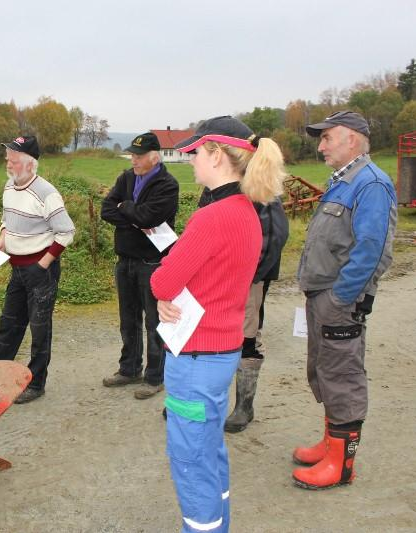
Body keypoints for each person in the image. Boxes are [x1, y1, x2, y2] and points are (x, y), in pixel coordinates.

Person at [150, 116, 285, 532]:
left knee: (191, 459)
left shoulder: (213, 216)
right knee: (209, 449)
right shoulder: (246, 209)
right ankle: (219, 521)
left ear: (217, 154)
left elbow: (164, 280)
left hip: (195, 356)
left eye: (195, 152)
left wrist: (165, 290)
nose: (189, 160)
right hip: (223, 348)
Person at [292, 111, 396, 490]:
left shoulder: (370, 184)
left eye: (327, 138)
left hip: (339, 300)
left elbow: (372, 251)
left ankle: (341, 464)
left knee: (342, 376)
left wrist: (341, 298)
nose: (320, 146)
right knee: (323, 370)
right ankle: (330, 443)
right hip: (323, 295)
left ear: (351, 139)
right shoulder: (343, 182)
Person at [0, 136, 75, 404]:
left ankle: (36, 383)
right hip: (16, 268)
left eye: (13, 159)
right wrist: (3, 238)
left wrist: (44, 264)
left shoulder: (47, 193)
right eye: (8, 158)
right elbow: (7, 218)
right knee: (8, 325)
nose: (8, 163)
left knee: (39, 330)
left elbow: (67, 232)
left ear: (29, 164)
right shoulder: (8, 186)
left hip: (40, 271)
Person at [100, 132, 179, 399]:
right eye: (132, 155)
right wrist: (133, 216)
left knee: (154, 322)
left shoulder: (168, 184)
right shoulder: (126, 177)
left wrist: (127, 209)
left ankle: (154, 377)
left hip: (153, 262)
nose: (133, 160)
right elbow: (106, 210)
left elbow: (151, 217)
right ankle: (129, 368)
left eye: (138, 156)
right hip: (125, 259)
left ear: (154, 157)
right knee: (128, 319)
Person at [214, 194, 289, 433]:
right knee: (215, 334)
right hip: (218, 276)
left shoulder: (261, 187)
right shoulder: (217, 184)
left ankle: (244, 406)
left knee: (248, 337)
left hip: (249, 278)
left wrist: (250, 273)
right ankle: (207, 400)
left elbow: (273, 238)